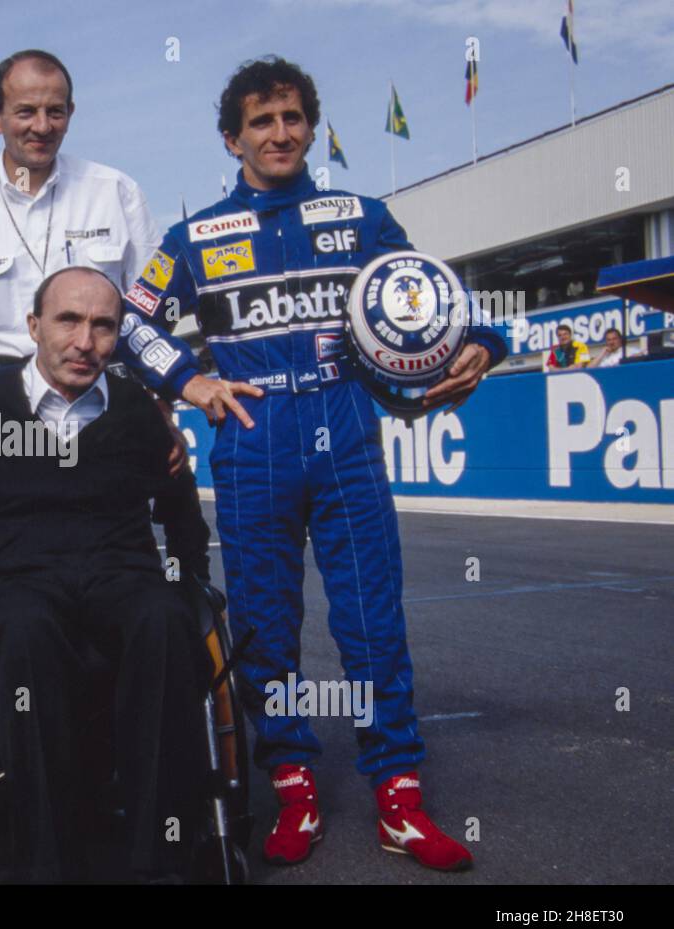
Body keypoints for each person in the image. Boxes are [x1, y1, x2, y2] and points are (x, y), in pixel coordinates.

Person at [117, 56, 508, 872]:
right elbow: (128, 322)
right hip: (254, 439)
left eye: (292, 117)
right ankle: (293, 785)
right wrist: (189, 379)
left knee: (371, 622)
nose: (280, 133)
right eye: (262, 121)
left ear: (310, 125)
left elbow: (436, 296)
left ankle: (398, 795)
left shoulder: (362, 216)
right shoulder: (195, 236)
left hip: (346, 430)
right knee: (266, 629)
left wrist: (482, 340)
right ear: (234, 138)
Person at [0, 267, 213, 883]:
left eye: (103, 326)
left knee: (166, 617)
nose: (84, 342)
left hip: (120, 579)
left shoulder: (138, 416)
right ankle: (47, 863)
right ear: (34, 326)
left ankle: (159, 860)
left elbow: (180, 510)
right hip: (14, 583)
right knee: (26, 626)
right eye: (68, 320)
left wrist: (190, 576)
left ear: (119, 336)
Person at [0, 49, 196, 479]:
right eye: (26, 112)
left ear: (71, 113)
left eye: (55, 111)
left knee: (112, 538)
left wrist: (161, 405)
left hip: (100, 400)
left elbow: (156, 310)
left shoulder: (116, 191)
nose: (42, 126)